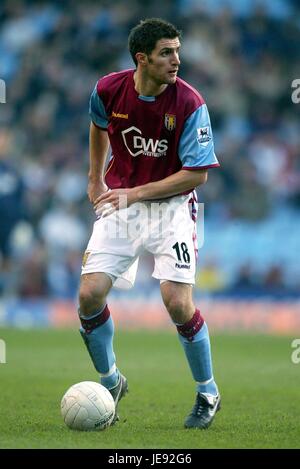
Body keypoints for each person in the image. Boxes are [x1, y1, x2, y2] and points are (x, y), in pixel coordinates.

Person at [78, 18, 221, 429]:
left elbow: (198, 174)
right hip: (122, 202)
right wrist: (94, 178)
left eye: (177, 50)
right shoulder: (108, 89)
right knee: (89, 296)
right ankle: (111, 382)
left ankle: (208, 392)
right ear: (142, 59)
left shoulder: (190, 103)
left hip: (172, 207)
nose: (177, 59)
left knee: (177, 302)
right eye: (166, 52)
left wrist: (136, 193)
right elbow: (98, 123)